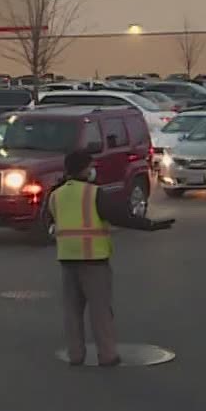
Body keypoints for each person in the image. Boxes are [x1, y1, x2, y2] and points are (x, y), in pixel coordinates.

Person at [52, 149, 172, 367]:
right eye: (90, 167)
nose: (92, 171)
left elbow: (52, 219)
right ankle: (107, 355)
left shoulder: (56, 194)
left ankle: (75, 355)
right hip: (93, 259)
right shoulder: (93, 193)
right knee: (100, 311)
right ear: (83, 169)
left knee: (72, 311)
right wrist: (150, 225)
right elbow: (120, 217)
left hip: (67, 258)